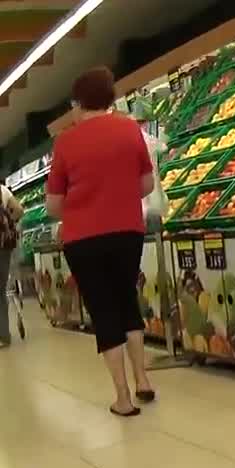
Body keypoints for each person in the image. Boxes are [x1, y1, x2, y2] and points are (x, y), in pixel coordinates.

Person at [46, 66, 156, 416]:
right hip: (127, 230)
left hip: (84, 237)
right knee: (127, 301)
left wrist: (80, 202)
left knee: (104, 311)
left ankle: (122, 398)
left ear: (78, 103)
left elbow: (52, 205)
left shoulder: (66, 141)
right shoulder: (129, 129)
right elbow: (147, 185)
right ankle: (144, 381)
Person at [0, 182, 23, 348]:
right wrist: (8, 226)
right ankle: (3, 336)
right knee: (0, 290)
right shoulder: (2, 190)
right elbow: (19, 210)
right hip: (3, 247)